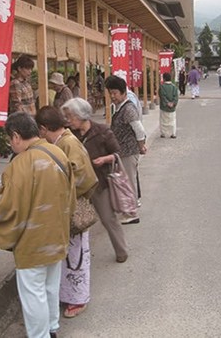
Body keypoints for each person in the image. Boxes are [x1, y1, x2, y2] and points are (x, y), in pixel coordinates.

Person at [0, 112, 76, 338]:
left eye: (10, 139)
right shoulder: (57, 152)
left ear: (16, 136)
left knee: (33, 293)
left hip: (33, 241)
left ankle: (40, 335)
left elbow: (8, 205)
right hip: (57, 233)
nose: (11, 144)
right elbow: (71, 194)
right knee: (50, 286)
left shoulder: (20, 164)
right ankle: (52, 327)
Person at [35, 106, 98, 319]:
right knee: (70, 255)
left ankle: (78, 298)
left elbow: (83, 178)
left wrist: (61, 194)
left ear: (44, 129)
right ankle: (69, 294)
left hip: (73, 206)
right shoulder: (64, 141)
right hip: (66, 206)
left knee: (75, 256)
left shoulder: (68, 143)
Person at [61, 98, 129, 263]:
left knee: (108, 218)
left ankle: (122, 251)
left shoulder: (102, 131)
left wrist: (104, 159)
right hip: (79, 185)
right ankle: (78, 259)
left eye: (70, 117)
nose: (68, 120)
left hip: (99, 183)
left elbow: (117, 153)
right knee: (79, 222)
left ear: (81, 115)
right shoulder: (70, 134)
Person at [104, 75, 146, 222]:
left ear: (123, 92)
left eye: (115, 93)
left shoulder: (128, 109)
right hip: (123, 152)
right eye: (110, 93)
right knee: (126, 182)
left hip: (128, 151)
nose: (112, 96)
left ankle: (132, 214)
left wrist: (141, 146)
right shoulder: (120, 107)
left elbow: (139, 130)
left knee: (129, 182)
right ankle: (127, 211)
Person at [159, 72, 179, 138]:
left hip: (164, 107)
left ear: (164, 78)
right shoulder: (174, 87)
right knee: (173, 120)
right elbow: (176, 97)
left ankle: (163, 133)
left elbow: (162, 96)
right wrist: (173, 103)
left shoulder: (162, 87)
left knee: (163, 120)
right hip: (172, 107)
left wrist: (167, 103)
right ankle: (173, 133)